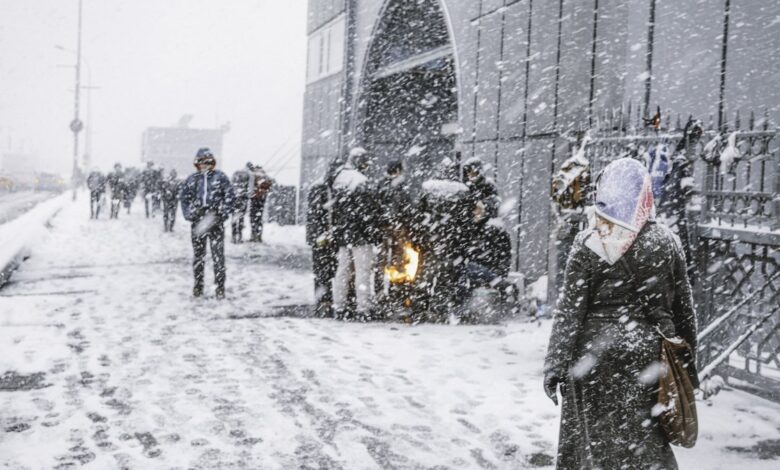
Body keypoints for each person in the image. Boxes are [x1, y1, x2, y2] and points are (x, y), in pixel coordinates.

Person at [543, 158, 698, 469]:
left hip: (592, 355)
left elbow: (570, 311)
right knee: (646, 435)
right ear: (645, 195)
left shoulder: (588, 242)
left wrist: (556, 364)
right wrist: (688, 362)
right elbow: (684, 308)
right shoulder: (667, 242)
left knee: (589, 437)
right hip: (647, 352)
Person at [415, 157, 473, 322]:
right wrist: (464, 241)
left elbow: (419, 214)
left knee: (425, 276)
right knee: (447, 278)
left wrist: (421, 237)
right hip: (453, 242)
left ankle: (420, 308)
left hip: (431, 242)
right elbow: (467, 220)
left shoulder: (428, 188)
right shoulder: (462, 190)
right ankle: (440, 309)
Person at [331, 147, 382, 320]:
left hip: (343, 233)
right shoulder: (361, 181)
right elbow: (368, 212)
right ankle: (363, 309)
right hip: (360, 235)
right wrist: (374, 233)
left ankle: (339, 306)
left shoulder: (339, 178)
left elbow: (335, 207)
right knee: (362, 272)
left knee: (342, 271)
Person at [180, 148, 236, 299]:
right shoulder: (192, 179)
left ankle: (220, 287)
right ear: (197, 163)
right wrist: (189, 214)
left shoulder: (221, 177)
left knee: (218, 255)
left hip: (215, 220)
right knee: (198, 256)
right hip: (198, 221)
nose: (204, 165)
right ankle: (198, 285)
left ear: (212, 162)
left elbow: (230, 196)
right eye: (201, 162)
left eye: (207, 162)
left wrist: (223, 212)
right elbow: (184, 198)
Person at [306, 165, 339, 317]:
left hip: (323, 235)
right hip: (322, 236)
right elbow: (316, 213)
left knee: (327, 267)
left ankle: (325, 297)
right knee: (323, 267)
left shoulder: (323, 188)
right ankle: (324, 298)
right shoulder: (321, 189)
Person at [247, 163, 274, 242]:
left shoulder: (254, 175)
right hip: (262, 199)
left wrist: (251, 193)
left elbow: (250, 187)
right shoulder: (265, 175)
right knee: (259, 218)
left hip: (254, 198)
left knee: (253, 218)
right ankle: (258, 236)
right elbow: (270, 185)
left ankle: (253, 235)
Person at [230, 167, 251, 243]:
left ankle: (233, 237)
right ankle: (240, 237)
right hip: (242, 200)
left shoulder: (235, 176)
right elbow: (249, 190)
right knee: (241, 219)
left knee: (234, 219)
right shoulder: (247, 176)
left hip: (234, 200)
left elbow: (230, 188)